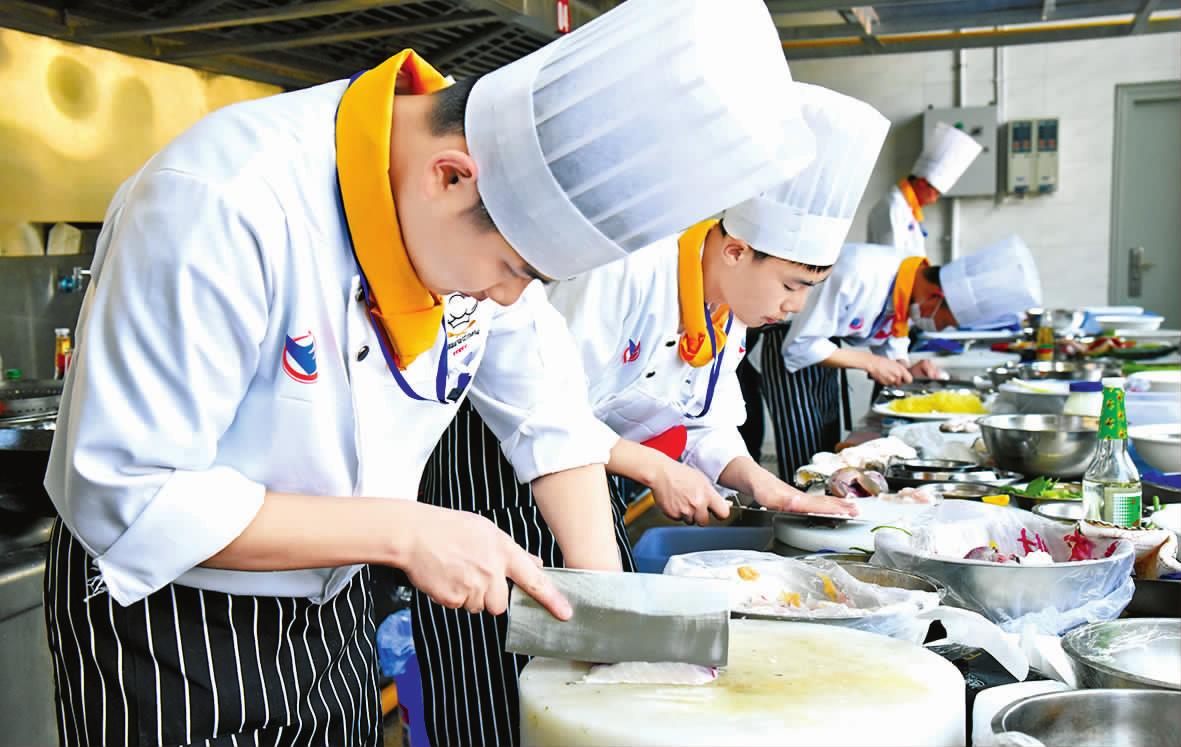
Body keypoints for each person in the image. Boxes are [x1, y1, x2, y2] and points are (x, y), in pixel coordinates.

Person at [39, 0, 808, 743]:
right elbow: (132, 494)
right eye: (512, 269)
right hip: (170, 617)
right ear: (450, 175)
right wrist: (406, 532)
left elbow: (550, 414)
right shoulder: (220, 204)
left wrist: (610, 617)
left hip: (334, 594)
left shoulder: (467, 216)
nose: (510, 297)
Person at [411, 83, 881, 747]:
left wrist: (761, 484)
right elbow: (540, 400)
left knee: (595, 663)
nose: (792, 307)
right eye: (791, 285)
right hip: (486, 467)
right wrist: (649, 464)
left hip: (574, 475)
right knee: (494, 664)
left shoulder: (727, 315)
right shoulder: (629, 270)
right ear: (735, 251)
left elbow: (707, 419)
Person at [766, 236, 1043, 479]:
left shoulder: (907, 279)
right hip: (789, 346)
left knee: (824, 445)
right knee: (804, 453)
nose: (943, 328)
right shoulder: (858, 272)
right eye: (948, 321)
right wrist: (871, 362)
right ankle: (796, 509)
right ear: (936, 296)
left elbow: (893, 330)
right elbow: (799, 346)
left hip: (824, 350)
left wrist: (906, 368)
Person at [866, 122, 983, 255]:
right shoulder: (892, 207)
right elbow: (890, 259)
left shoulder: (909, 210)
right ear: (922, 183)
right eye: (935, 193)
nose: (934, 200)